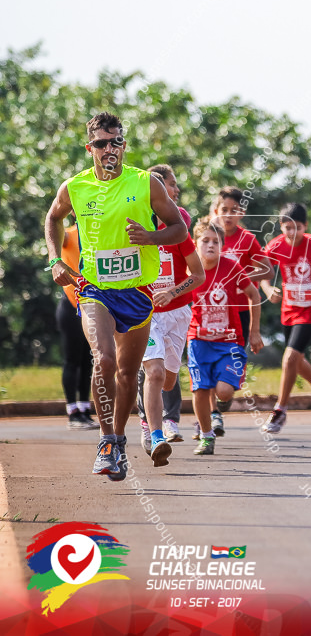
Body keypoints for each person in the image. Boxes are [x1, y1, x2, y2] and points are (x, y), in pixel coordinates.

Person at [44, 112, 187, 479]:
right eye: (104, 143)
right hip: (94, 289)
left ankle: (120, 440)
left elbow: (179, 229)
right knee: (103, 358)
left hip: (137, 291)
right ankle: (107, 442)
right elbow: (53, 218)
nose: (112, 148)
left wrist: (151, 237)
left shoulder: (147, 183)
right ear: (90, 147)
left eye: (117, 141)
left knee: (127, 374)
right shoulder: (74, 187)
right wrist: (56, 259)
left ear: (123, 145)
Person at [137, 164, 205, 467]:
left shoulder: (179, 233)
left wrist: (173, 292)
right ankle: (155, 436)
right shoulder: (132, 235)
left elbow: (199, 275)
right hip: (145, 314)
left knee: (166, 380)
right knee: (153, 373)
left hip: (178, 312)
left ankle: (149, 402)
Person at [187, 218, 264, 455]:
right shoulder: (187, 270)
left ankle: (222, 402)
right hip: (198, 341)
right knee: (199, 389)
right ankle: (207, 436)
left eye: (216, 242)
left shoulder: (231, 268)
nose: (211, 245)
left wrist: (254, 331)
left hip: (229, 342)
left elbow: (253, 294)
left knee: (223, 391)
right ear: (194, 243)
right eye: (205, 240)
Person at [260, 203, 311, 434]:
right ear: (281, 227)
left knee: (290, 356)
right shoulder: (276, 245)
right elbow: (263, 272)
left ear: (306, 226)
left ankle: (280, 410)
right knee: (294, 359)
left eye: (298, 228)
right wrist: (267, 289)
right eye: (287, 228)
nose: (292, 233)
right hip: (288, 310)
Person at [207, 187, 271, 437]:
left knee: (227, 374)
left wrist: (240, 277)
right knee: (207, 365)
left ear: (242, 213)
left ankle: (222, 401)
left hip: (239, 313)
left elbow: (266, 271)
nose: (229, 215)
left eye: (234, 211)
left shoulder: (247, 240)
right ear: (216, 211)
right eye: (224, 210)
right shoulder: (208, 237)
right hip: (209, 312)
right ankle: (212, 417)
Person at [56, 219, 99, 430]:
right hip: (70, 307)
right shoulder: (68, 234)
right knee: (72, 360)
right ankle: (72, 411)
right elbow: (52, 225)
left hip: (92, 306)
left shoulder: (97, 235)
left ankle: (84, 409)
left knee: (88, 360)